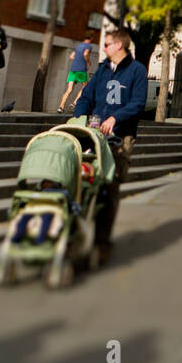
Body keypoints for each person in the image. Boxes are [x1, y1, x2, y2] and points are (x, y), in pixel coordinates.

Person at [75, 28, 146, 260]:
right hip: (94, 134)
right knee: (82, 182)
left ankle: (102, 242)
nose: (102, 48)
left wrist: (116, 118)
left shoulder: (137, 71)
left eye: (106, 44)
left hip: (121, 136)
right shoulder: (103, 69)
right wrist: (78, 119)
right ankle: (75, 236)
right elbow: (86, 97)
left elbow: (138, 103)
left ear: (119, 46)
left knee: (109, 187)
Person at [58, 36, 94, 114]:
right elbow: (85, 54)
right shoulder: (88, 46)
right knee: (85, 86)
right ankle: (74, 103)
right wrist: (88, 62)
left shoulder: (79, 46)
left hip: (73, 70)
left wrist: (77, 60)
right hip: (81, 70)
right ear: (91, 39)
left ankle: (61, 107)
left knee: (69, 89)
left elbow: (71, 56)